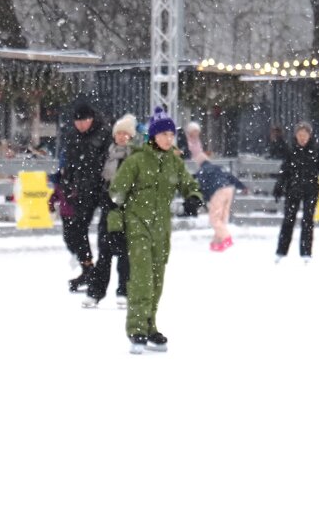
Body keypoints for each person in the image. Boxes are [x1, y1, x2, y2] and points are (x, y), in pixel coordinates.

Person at [108, 106, 203, 355]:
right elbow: (116, 195)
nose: (168, 139)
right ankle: (137, 328)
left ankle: (150, 326)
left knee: (157, 279)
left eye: (171, 135)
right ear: (153, 136)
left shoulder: (174, 161)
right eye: (163, 135)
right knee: (142, 279)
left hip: (161, 228)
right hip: (137, 223)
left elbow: (188, 183)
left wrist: (193, 196)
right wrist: (115, 228)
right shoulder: (136, 161)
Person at [82, 114, 135, 309]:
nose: (121, 137)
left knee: (125, 254)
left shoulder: (135, 157)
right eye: (118, 133)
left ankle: (124, 291)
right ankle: (95, 292)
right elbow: (99, 180)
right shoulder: (108, 154)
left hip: (127, 211)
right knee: (104, 253)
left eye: (125, 133)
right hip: (108, 209)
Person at [60, 100, 109, 292]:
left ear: (92, 119)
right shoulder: (73, 136)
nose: (80, 125)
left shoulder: (104, 134)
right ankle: (87, 266)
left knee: (106, 234)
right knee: (75, 228)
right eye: (77, 122)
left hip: (102, 188)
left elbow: (109, 160)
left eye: (84, 121)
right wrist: (67, 183)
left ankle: (100, 272)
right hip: (82, 188)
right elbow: (70, 162)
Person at [272, 121, 319, 263]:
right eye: (300, 135)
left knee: (308, 221)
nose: (302, 138)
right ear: (296, 135)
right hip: (293, 189)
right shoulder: (291, 151)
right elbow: (284, 171)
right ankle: (281, 252)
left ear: (309, 135)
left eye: (305, 135)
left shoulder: (317, 150)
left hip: (311, 189)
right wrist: (279, 187)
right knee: (288, 220)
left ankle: (306, 253)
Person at [194, 153, 246, 252]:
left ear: (199, 163)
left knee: (214, 219)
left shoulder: (202, 171)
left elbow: (203, 187)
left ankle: (227, 239)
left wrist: (205, 200)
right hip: (228, 189)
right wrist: (242, 186)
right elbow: (230, 177)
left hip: (218, 191)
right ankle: (217, 242)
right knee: (222, 217)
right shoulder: (217, 167)